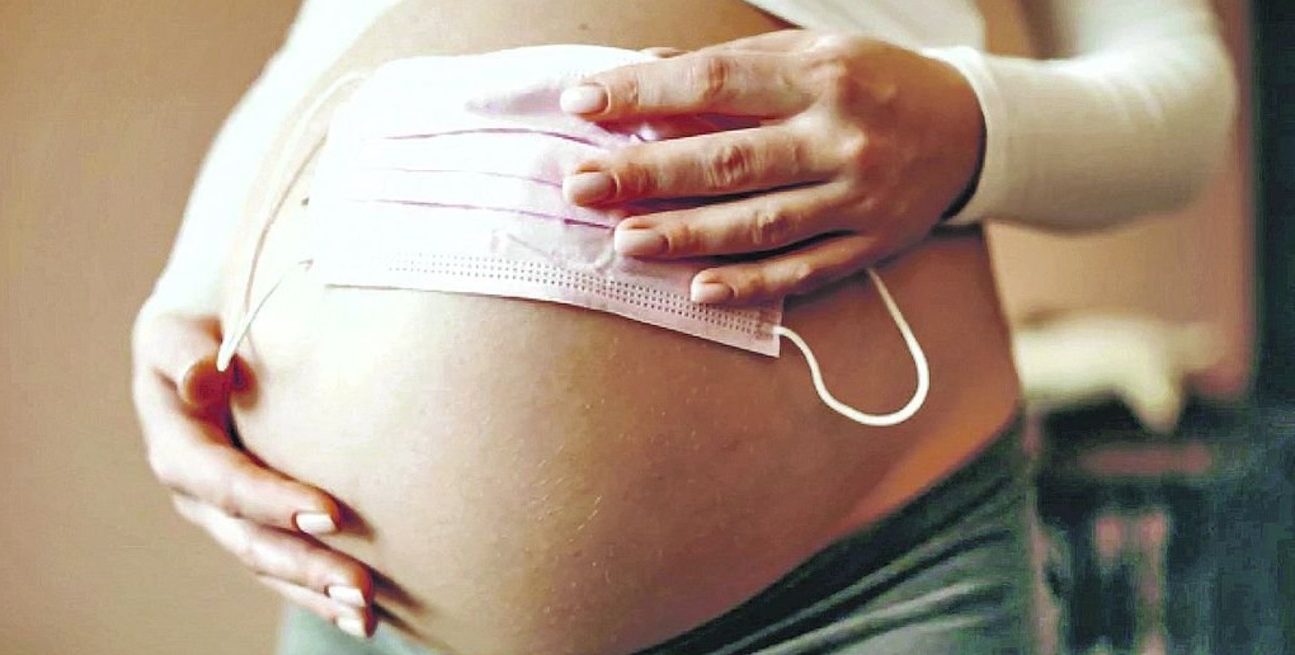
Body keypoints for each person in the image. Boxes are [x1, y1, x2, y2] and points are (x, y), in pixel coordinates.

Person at [130, 1, 1235, 653]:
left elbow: (1183, 91)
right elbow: (321, 47)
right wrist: (180, 302)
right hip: (365, 603)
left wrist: (974, 130)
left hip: (855, 596)